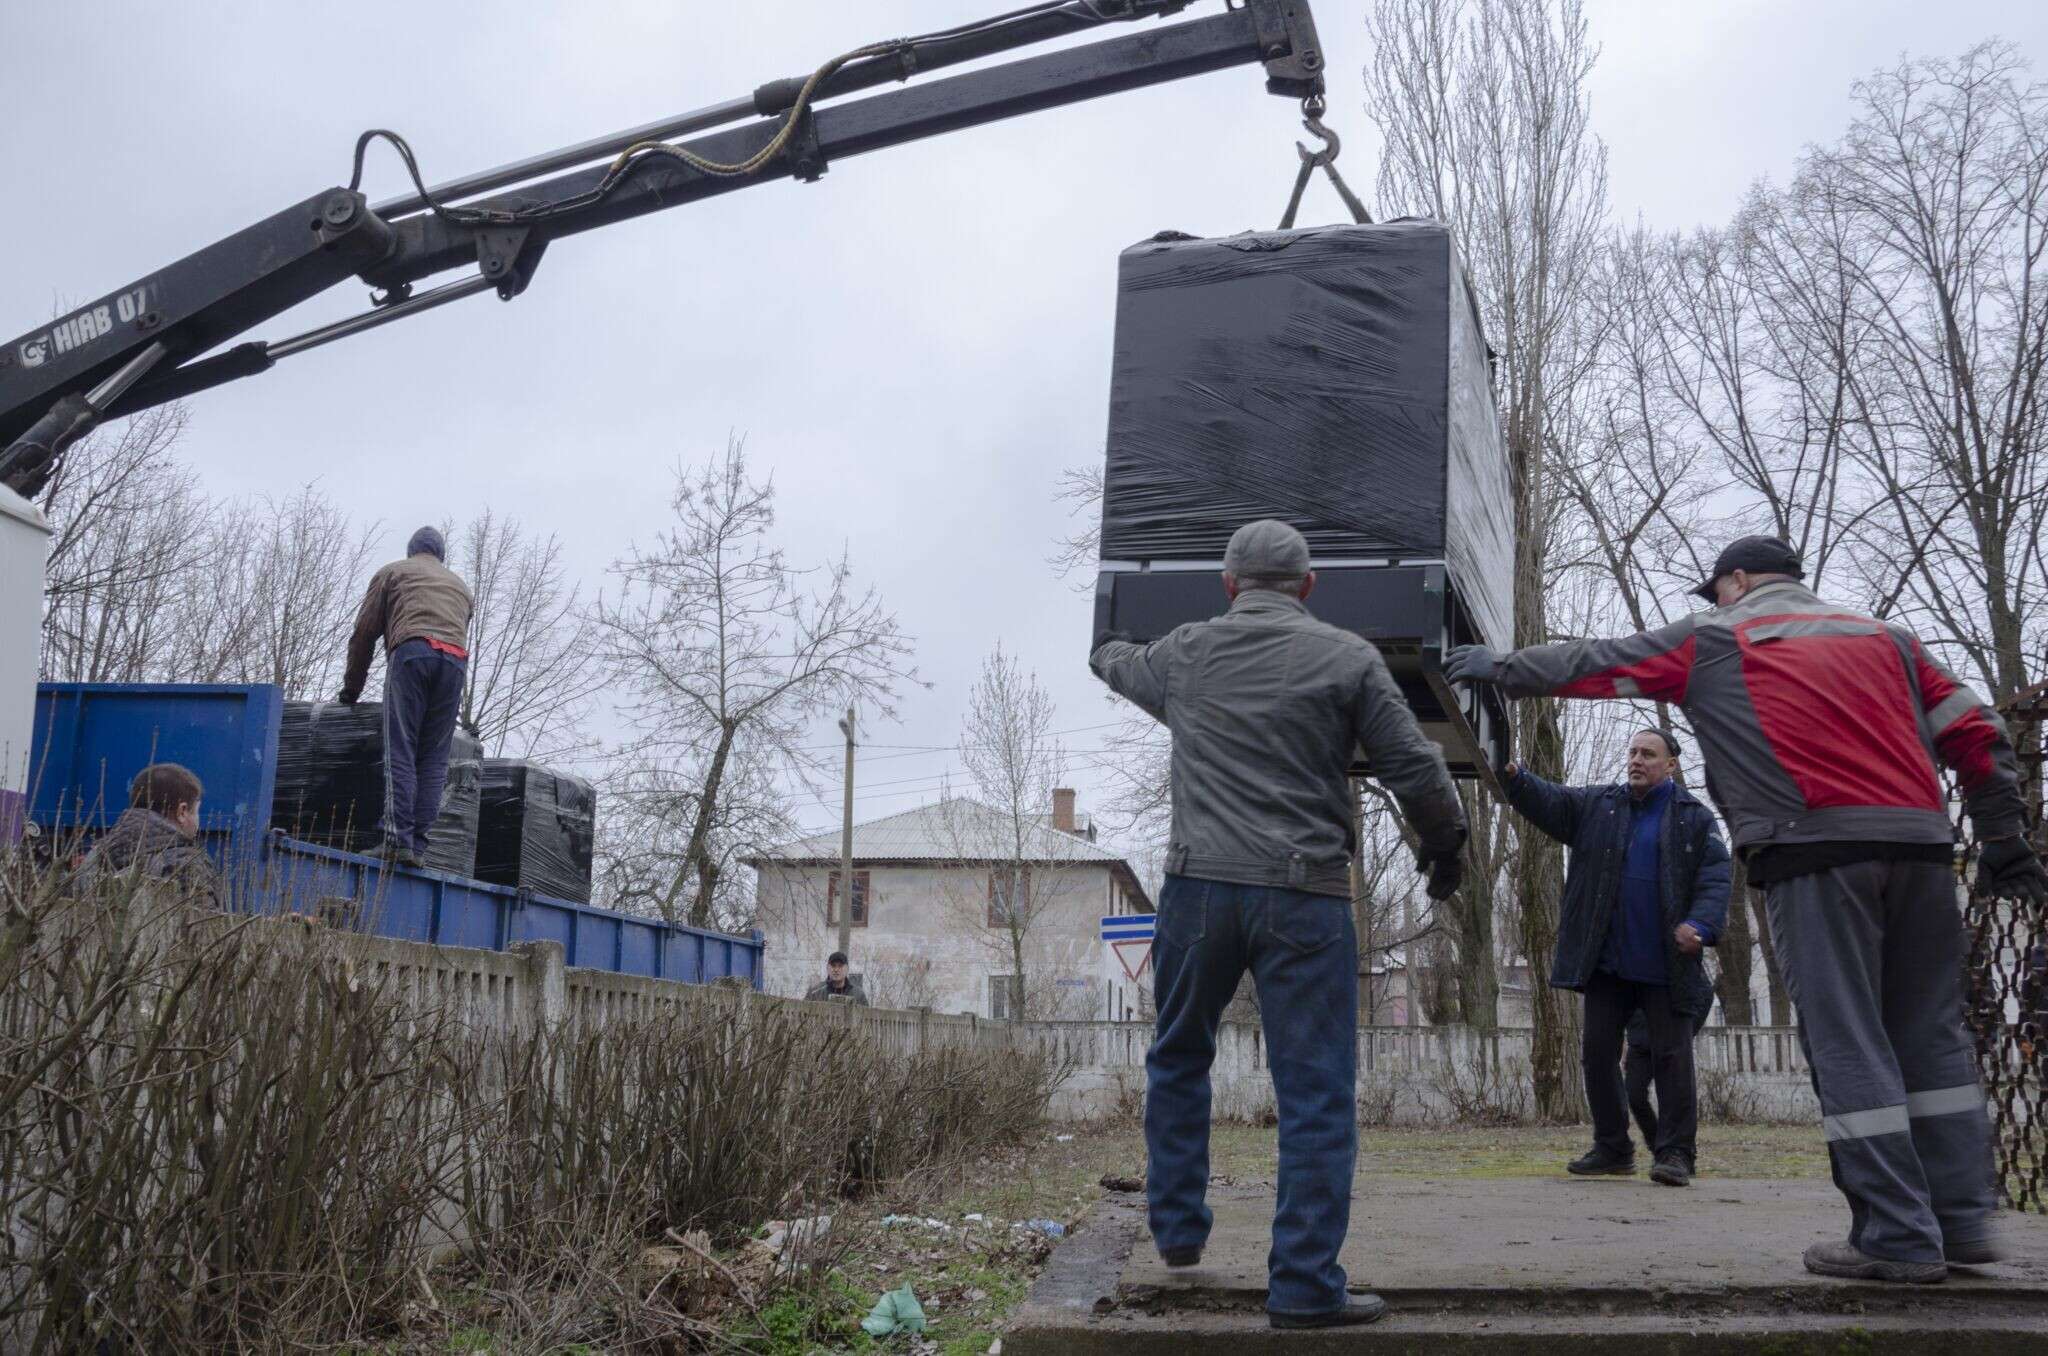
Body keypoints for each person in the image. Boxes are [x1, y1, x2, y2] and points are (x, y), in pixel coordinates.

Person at [1444, 534, 2048, 1284]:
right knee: (1932, 1038)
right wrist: (2001, 838)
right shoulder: (1889, 638)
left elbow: (1597, 663)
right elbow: (1976, 733)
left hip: (1816, 854)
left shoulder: (1718, 638)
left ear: (1734, 582)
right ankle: (1961, 1224)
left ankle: (1895, 1234)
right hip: (1925, 851)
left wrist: (1496, 669)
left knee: (1848, 1038)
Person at [1090, 519, 1468, 1330]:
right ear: (1309, 585)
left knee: (1180, 1054)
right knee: (1316, 1091)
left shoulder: (1185, 653)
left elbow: (1114, 660)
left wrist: (1107, 628)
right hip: (1307, 898)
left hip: (1199, 891)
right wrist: (1447, 849)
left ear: (1228, 583)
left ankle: (1179, 1232)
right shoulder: (1348, 658)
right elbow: (1415, 767)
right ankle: (1301, 1286)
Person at [1500, 728, 1729, 1187]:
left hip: (1667, 967)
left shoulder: (1694, 819)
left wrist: (1700, 927)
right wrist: (1517, 777)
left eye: (1648, 754)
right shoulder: (1600, 806)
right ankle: (1612, 1147)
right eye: (1632, 752)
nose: (1637, 760)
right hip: (1607, 963)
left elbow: (1716, 878)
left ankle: (1676, 1153)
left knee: (1672, 1059)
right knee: (1596, 1054)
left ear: (1671, 765)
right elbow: (1554, 802)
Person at [339, 526, 474, 869]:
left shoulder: (392, 573)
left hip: (413, 652)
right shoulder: (460, 588)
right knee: (433, 756)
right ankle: (416, 846)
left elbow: (363, 635)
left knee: (402, 746)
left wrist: (351, 690)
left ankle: (396, 839)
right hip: (455, 662)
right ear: (440, 555)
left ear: (412, 549)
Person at [77, 762, 222, 907]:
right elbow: (203, 927)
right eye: (196, 811)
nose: (198, 820)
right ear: (182, 812)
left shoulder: (94, 858)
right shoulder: (186, 864)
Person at [1625, 1007, 1708, 1167]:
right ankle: (1658, 1149)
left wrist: (1686, 1033)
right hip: (1638, 1044)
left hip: (1671, 1041)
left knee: (1673, 1100)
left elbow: (1704, 993)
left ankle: (1680, 1155)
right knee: (1634, 1095)